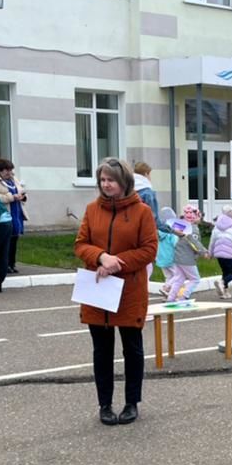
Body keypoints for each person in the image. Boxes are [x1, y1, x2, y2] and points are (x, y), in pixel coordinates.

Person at [74, 157, 157, 427]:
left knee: (132, 349)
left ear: (124, 182)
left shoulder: (142, 212)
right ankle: (105, 404)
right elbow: (81, 244)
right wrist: (100, 257)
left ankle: (132, 402)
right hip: (97, 290)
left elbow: (148, 250)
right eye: (102, 180)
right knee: (102, 350)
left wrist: (115, 262)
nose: (105, 184)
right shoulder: (91, 210)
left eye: (110, 179)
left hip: (129, 291)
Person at [0, 159, 27, 274]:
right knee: (5, 240)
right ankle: (4, 264)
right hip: (4, 214)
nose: (10, 173)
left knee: (14, 238)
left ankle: (12, 263)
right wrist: (11, 197)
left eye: (11, 170)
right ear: (0, 170)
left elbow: (22, 191)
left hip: (16, 212)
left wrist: (23, 197)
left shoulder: (13, 179)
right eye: (7, 170)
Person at [165, 217, 203, 301]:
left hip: (178, 257)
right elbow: (195, 243)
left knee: (179, 278)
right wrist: (204, 252)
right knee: (195, 279)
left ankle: (170, 297)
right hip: (187, 258)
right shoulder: (193, 230)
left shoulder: (182, 228)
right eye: (197, 215)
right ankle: (184, 296)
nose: (200, 217)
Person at [209, 209, 232, 298]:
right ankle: (222, 282)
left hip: (218, 254)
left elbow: (212, 241)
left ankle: (224, 292)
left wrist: (210, 253)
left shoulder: (216, 228)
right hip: (229, 254)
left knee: (225, 272)